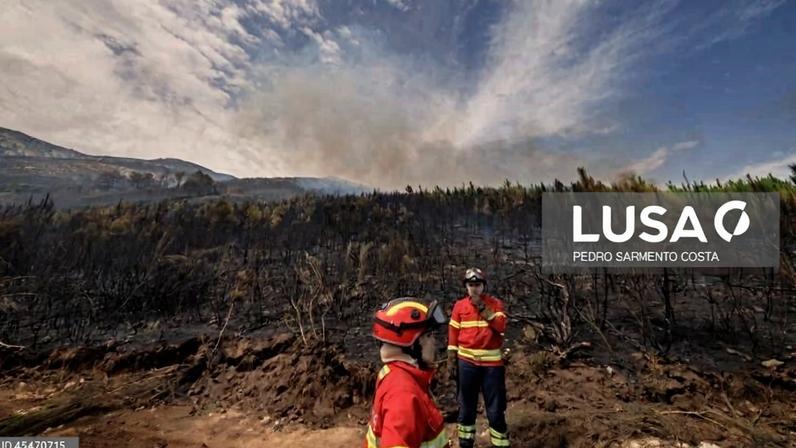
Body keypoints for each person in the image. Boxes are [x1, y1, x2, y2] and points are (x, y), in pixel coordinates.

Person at [364, 297, 451, 448]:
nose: (434, 342)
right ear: (410, 344)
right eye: (429, 336)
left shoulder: (397, 372)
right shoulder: (403, 394)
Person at [447, 268, 510, 447]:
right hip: (466, 364)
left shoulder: (495, 304)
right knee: (466, 409)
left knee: (496, 411)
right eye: (471, 285)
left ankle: (501, 444)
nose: (474, 288)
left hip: (492, 366)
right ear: (466, 286)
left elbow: (500, 326)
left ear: (484, 286)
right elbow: (453, 334)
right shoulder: (459, 306)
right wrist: (451, 359)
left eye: (477, 285)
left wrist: (482, 307)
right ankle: (466, 445)